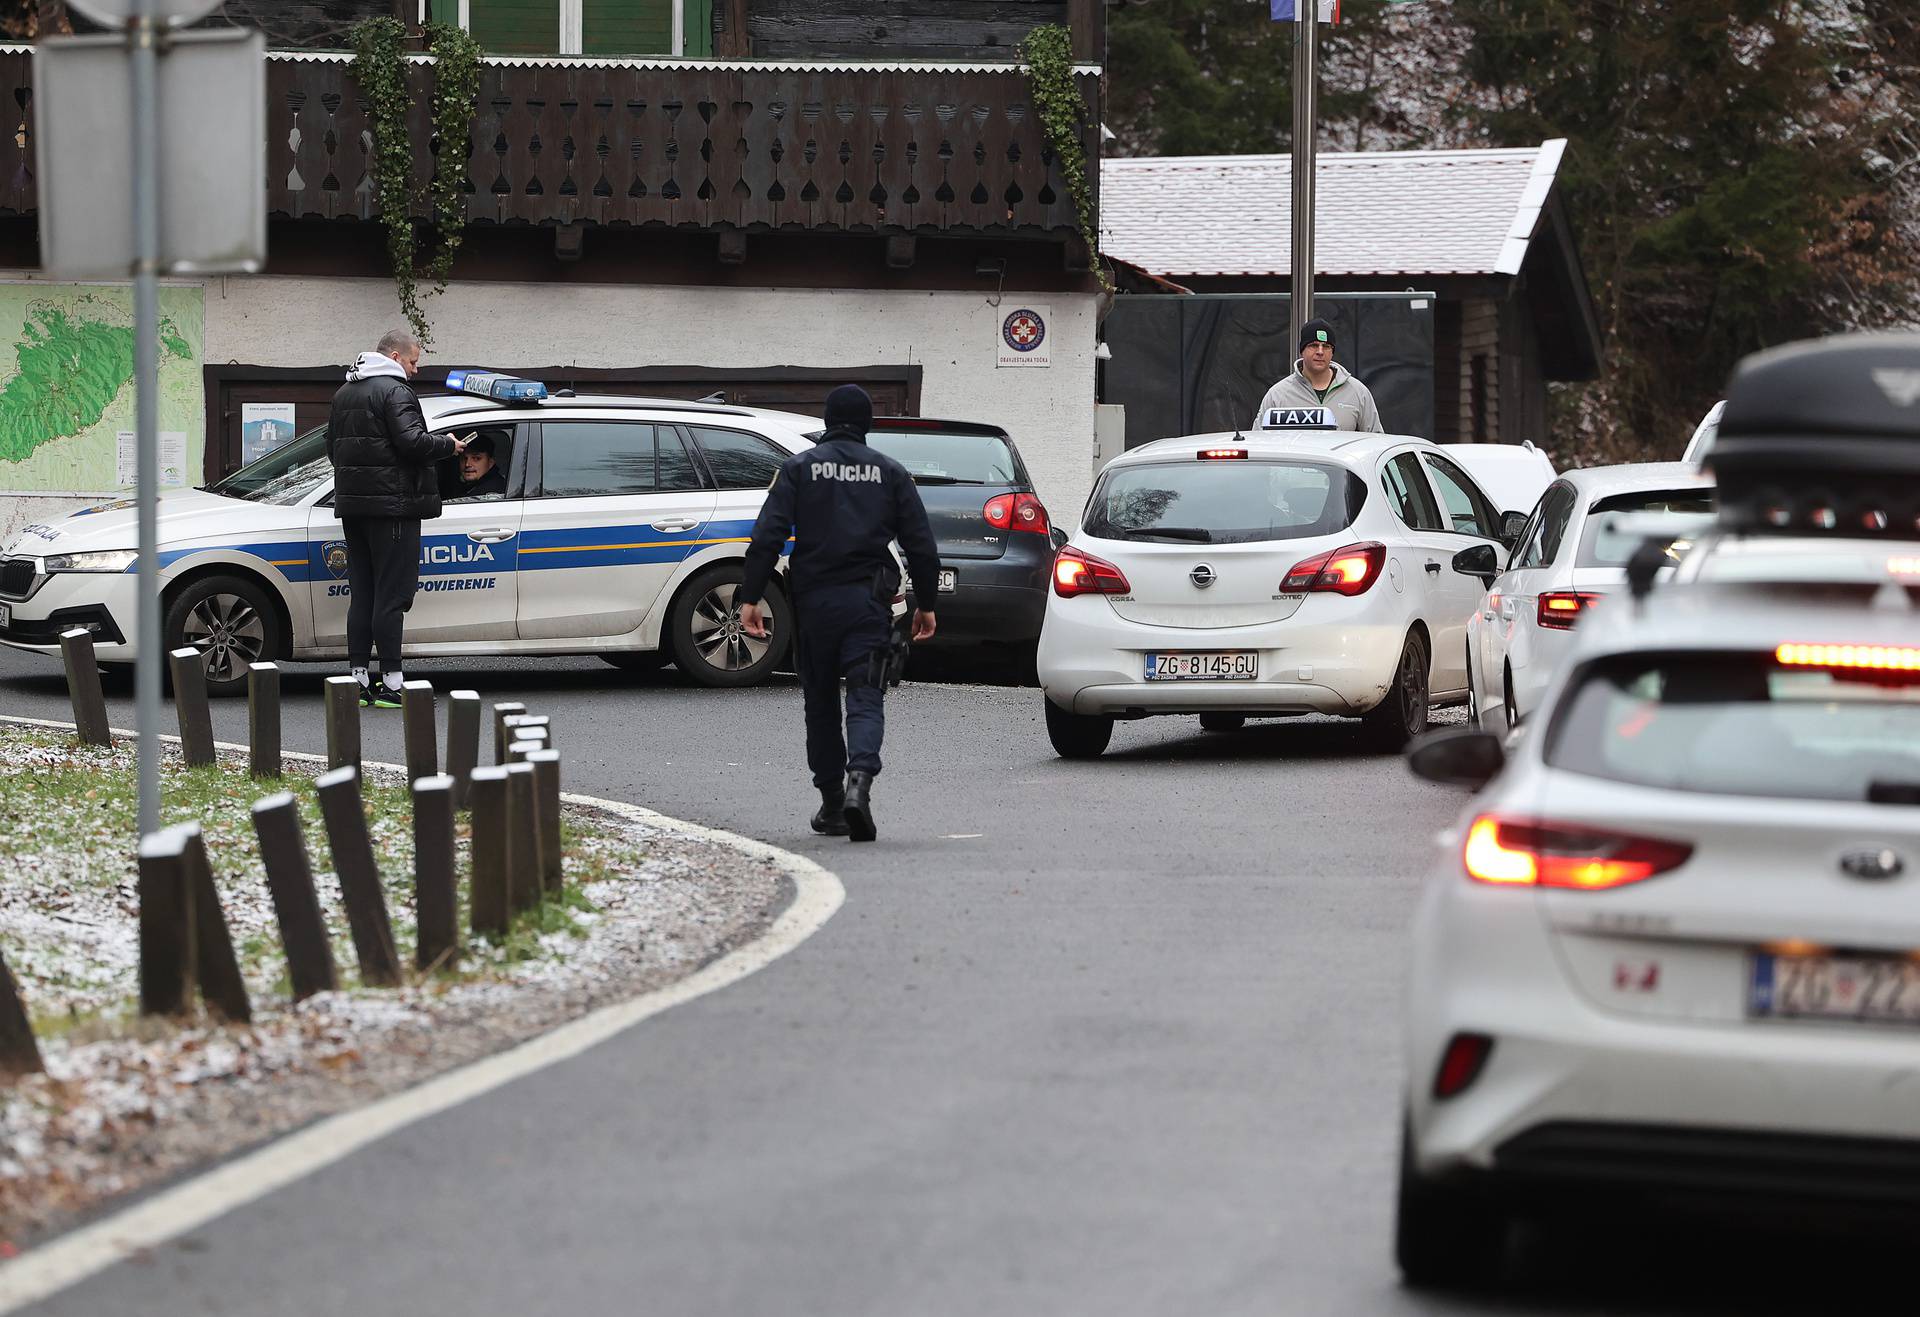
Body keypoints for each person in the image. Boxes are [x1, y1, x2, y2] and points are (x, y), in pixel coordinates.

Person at [736, 384, 940, 842]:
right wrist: (927, 604)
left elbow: (767, 535)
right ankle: (859, 785)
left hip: (813, 605)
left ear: (827, 422)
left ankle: (830, 802)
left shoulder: (797, 469)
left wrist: (750, 597)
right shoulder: (890, 472)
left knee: (821, 702)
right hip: (867, 605)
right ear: (867, 423)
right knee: (866, 696)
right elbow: (921, 546)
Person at [327, 329, 467, 708]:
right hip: (393, 509)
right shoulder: (395, 390)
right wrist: (448, 445)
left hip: (353, 508)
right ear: (393, 356)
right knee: (393, 596)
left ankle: (357, 681)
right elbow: (412, 442)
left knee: (364, 594)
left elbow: (331, 450)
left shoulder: (345, 393)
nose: (416, 369)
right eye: (413, 360)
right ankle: (391, 683)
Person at [1254, 317, 1384, 432]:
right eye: (1313, 345)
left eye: (1326, 346)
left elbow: (1376, 441)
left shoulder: (1358, 392)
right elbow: (1259, 442)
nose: (1320, 352)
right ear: (1302, 351)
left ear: (1332, 352)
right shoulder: (1278, 395)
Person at [449, 432, 508, 498]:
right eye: (464, 458)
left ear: (491, 462)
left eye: (476, 458)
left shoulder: (492, 493)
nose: (467, 464)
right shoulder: (467, 487)